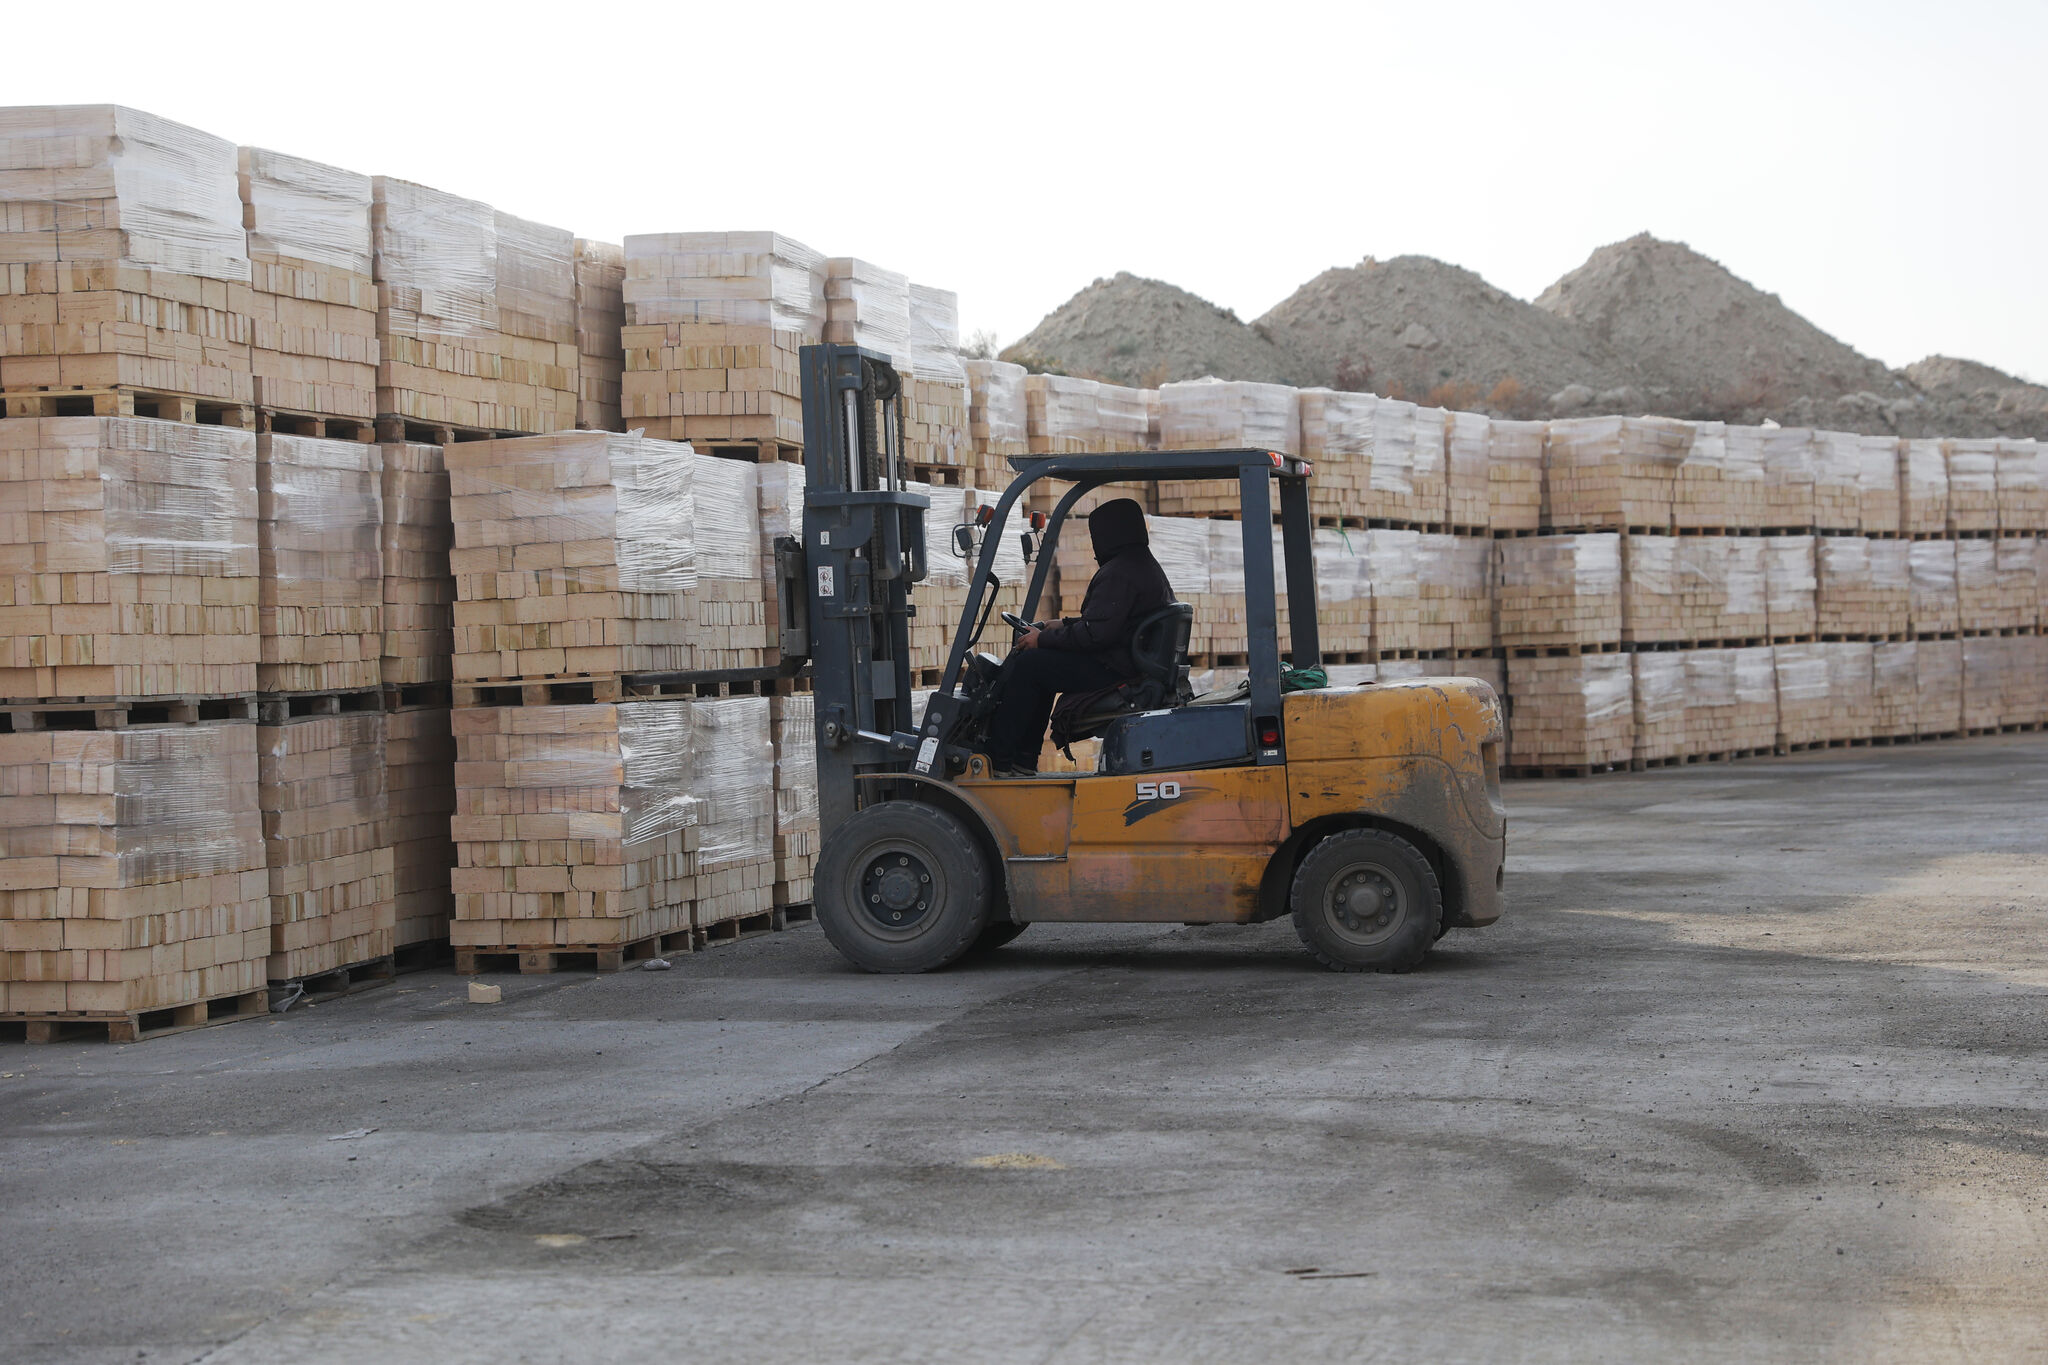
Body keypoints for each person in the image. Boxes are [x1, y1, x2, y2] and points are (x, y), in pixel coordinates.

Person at [985, 497, 1174, 776]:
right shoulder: (1140, 565)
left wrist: (1042, 639)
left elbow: (1096, 635)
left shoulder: (1120, 572)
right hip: (1126, 661)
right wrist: (1060, 625)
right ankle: (1023, 760)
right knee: (1043, 666)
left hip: (1114, 669)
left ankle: (998, 761)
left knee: (1029, 666)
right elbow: (1108, 623)